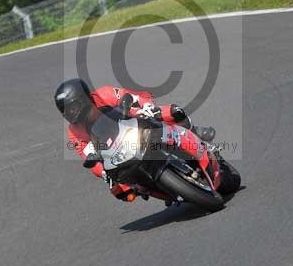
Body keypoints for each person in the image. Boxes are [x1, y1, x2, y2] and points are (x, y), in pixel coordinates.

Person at [54, 78, 215, 201]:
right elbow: (88, 157)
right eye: (65, 111)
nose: (70, 114)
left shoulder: (104, 94)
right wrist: (102, 171)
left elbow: (131, 98)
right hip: (117, 150)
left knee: (172, 112)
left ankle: (194, 131)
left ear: (83, 98)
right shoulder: (74, 132)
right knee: (121, 191)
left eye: (72, 108)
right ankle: (156, 189)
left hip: (134, 120)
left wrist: (148, 108)